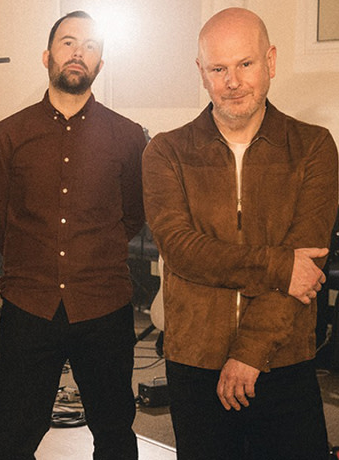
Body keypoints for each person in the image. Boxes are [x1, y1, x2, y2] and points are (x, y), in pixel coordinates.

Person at [142, 7, 336, 459]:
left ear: (270, 62)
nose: (232, 81)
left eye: (245, 64)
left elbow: (307, 262)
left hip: (285, 357)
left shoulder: (314, 146)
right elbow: (182, 251)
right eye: (218, 68)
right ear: (201, 74)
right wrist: (278, 264)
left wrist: (249, 353)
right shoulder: (165, 151)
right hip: (195, 362)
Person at [0, 10, 146, 460]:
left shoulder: (130, 137)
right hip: (29, 305)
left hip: (104, 305)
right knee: (14, 435)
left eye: (90, 46)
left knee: (115, 432)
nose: (79, 53)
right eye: (68, 43)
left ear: (100, 64)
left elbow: (132, 216)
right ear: (47, 56)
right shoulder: (8, 135)